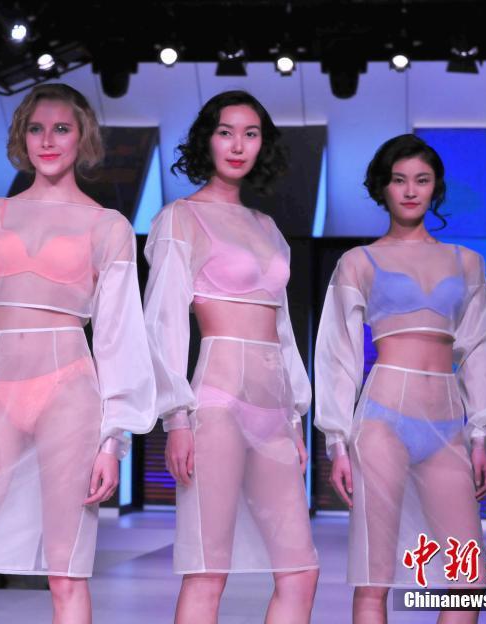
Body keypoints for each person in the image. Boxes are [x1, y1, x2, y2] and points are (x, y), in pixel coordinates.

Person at [0, 83, 156, 624]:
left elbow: (119, 336)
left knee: (66, 573)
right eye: (36, 128)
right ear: (21, 137)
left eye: (61, 128)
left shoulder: (108, 226)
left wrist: (113, 441)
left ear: (83, 137)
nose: (47, 140)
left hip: (69, 391)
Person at [314, 134, 486, 624]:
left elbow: (483, 349)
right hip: (382, 418)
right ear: (382, 188)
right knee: (374, 575)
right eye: (399, 180)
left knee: (468, 580)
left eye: (421, 181)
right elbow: (337, 354)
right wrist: (336, 442)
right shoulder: (358, 261)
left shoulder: (466, 262)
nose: (410, 191)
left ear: (435, 188)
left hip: (448, 423)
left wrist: (481, 436)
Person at [144, 90, 318, 624]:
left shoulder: (267, 228)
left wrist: (294, 419)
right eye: (226, 132)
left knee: (301, 572)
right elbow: (163, 323)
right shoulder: (181, 218)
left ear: (263, 144)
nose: (238, 145)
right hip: (216, 405)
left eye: (250, 134)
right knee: (207, 569)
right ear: (207, 140)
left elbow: (283, 329)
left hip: (275, 411)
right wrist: (176, 420)